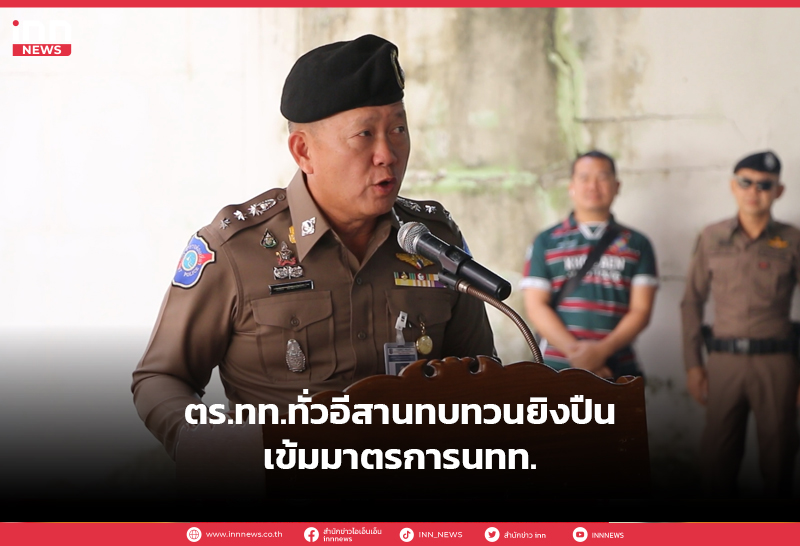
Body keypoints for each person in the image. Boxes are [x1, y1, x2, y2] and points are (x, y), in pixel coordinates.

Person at [132, 35, 495, 458]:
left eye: (398, 129)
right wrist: (204, 441)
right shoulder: (236, 250)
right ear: (304, 151)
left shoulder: (434, 242)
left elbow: (481, 377)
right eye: (364, 134)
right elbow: (161, 377)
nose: (387, 154)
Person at [681, 150, 800, 497]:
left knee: (779, 462)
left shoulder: (793, 240)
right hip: (724, 363)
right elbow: (691, 302)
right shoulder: (712, 236)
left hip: (777, 364)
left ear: (779, 191)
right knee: (716, 464)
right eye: (745, 182)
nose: (754, 191)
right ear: (733, 186)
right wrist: (693, 365)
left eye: (765, 185)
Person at [520, 150, 658, 379]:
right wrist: (577, 355)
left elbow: (641, 310)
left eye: (602, 177)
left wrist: (601, 352)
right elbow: (535, 306)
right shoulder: (545, 241)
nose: (593, 186)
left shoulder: (637, 243)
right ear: (571, 186)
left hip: (616, 369)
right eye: (584, 178)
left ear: (617, 186)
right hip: (555, 370)